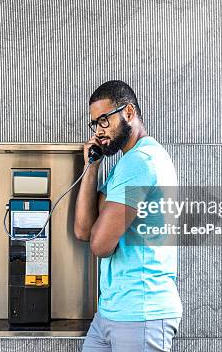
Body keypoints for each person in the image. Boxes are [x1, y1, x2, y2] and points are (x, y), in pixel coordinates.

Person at [74, 80, 182, 352]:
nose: (100, 131)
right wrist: (92, 165)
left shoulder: (140, 162)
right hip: (112, 310)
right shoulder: (125, 165)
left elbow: (100, 245)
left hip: (140, 312)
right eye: (95, 124)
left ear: (129, 113)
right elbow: (84, 230)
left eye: (104, 120)